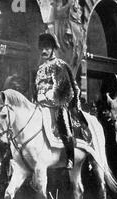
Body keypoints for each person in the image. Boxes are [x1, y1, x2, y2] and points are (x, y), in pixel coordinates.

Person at [35, 32, 82, 169]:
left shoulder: (60, 65)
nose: (44, 51)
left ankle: (70, 157)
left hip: (58, 104)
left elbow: (64, 88)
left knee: (63, 123)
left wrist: (49, 97)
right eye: (42, 48)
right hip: (41, 104)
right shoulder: (39, 69)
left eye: (47, 48)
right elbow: (36, 87)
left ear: (53, 49)